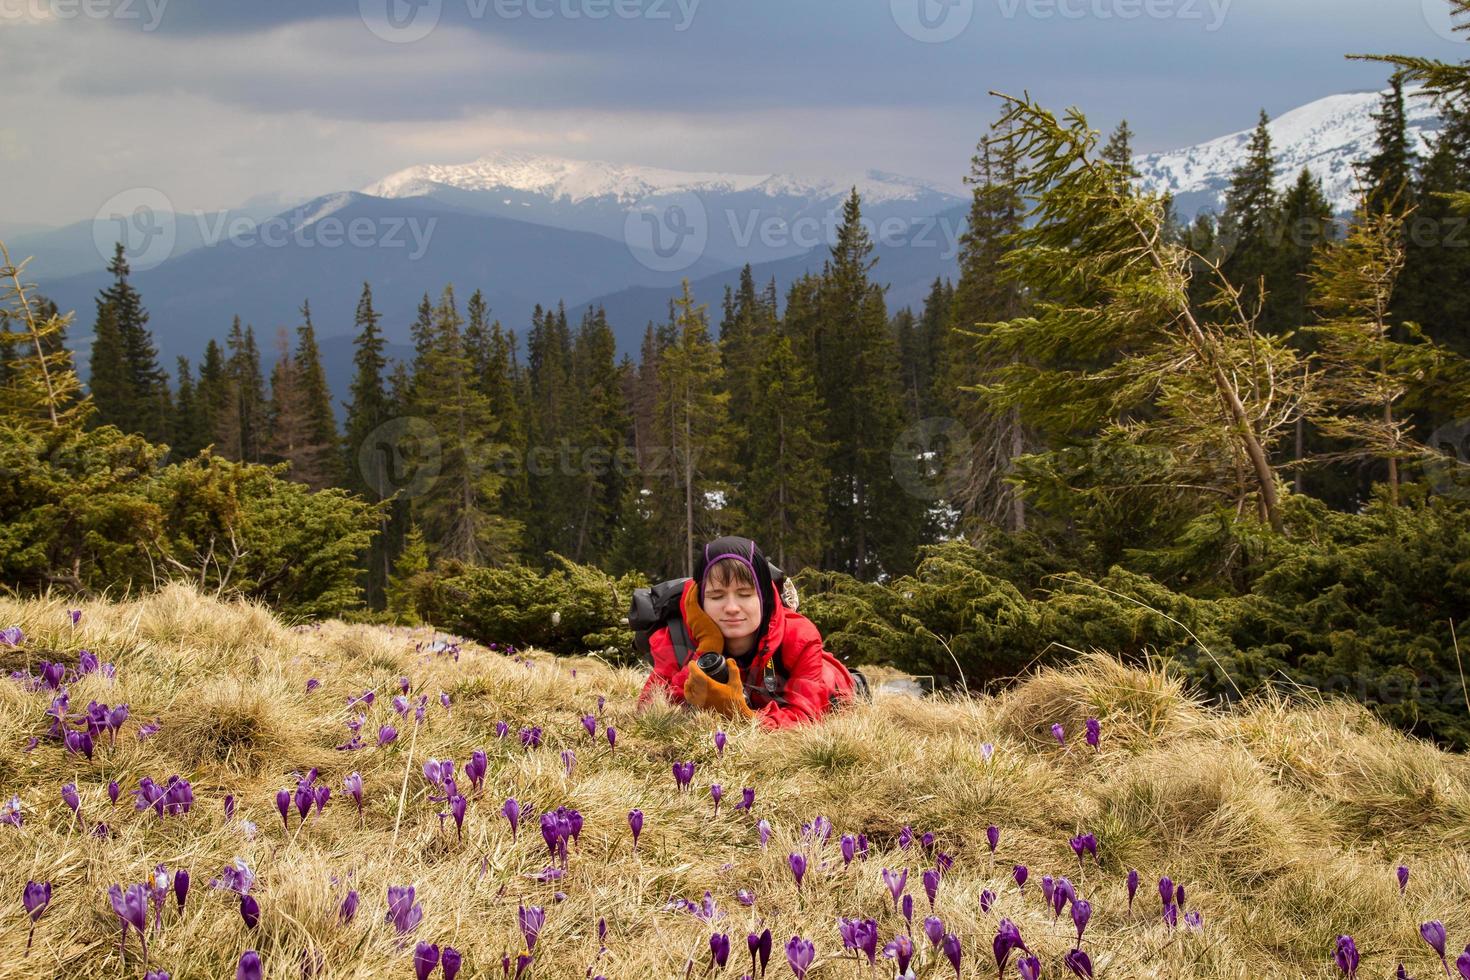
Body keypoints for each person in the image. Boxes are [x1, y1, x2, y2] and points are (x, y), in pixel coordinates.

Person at [637, 535, 859, 729]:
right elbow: (649, 711)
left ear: (763, 596)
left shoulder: (799, 637)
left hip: (834, 685)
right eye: (716, 596)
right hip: (762, 701)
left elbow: (805, 718)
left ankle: (859, 681)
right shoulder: (674, 636)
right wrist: (705, 651)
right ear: (699, 601)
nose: (732, 608)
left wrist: (741, 715)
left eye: (744, 594)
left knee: (835, 680)